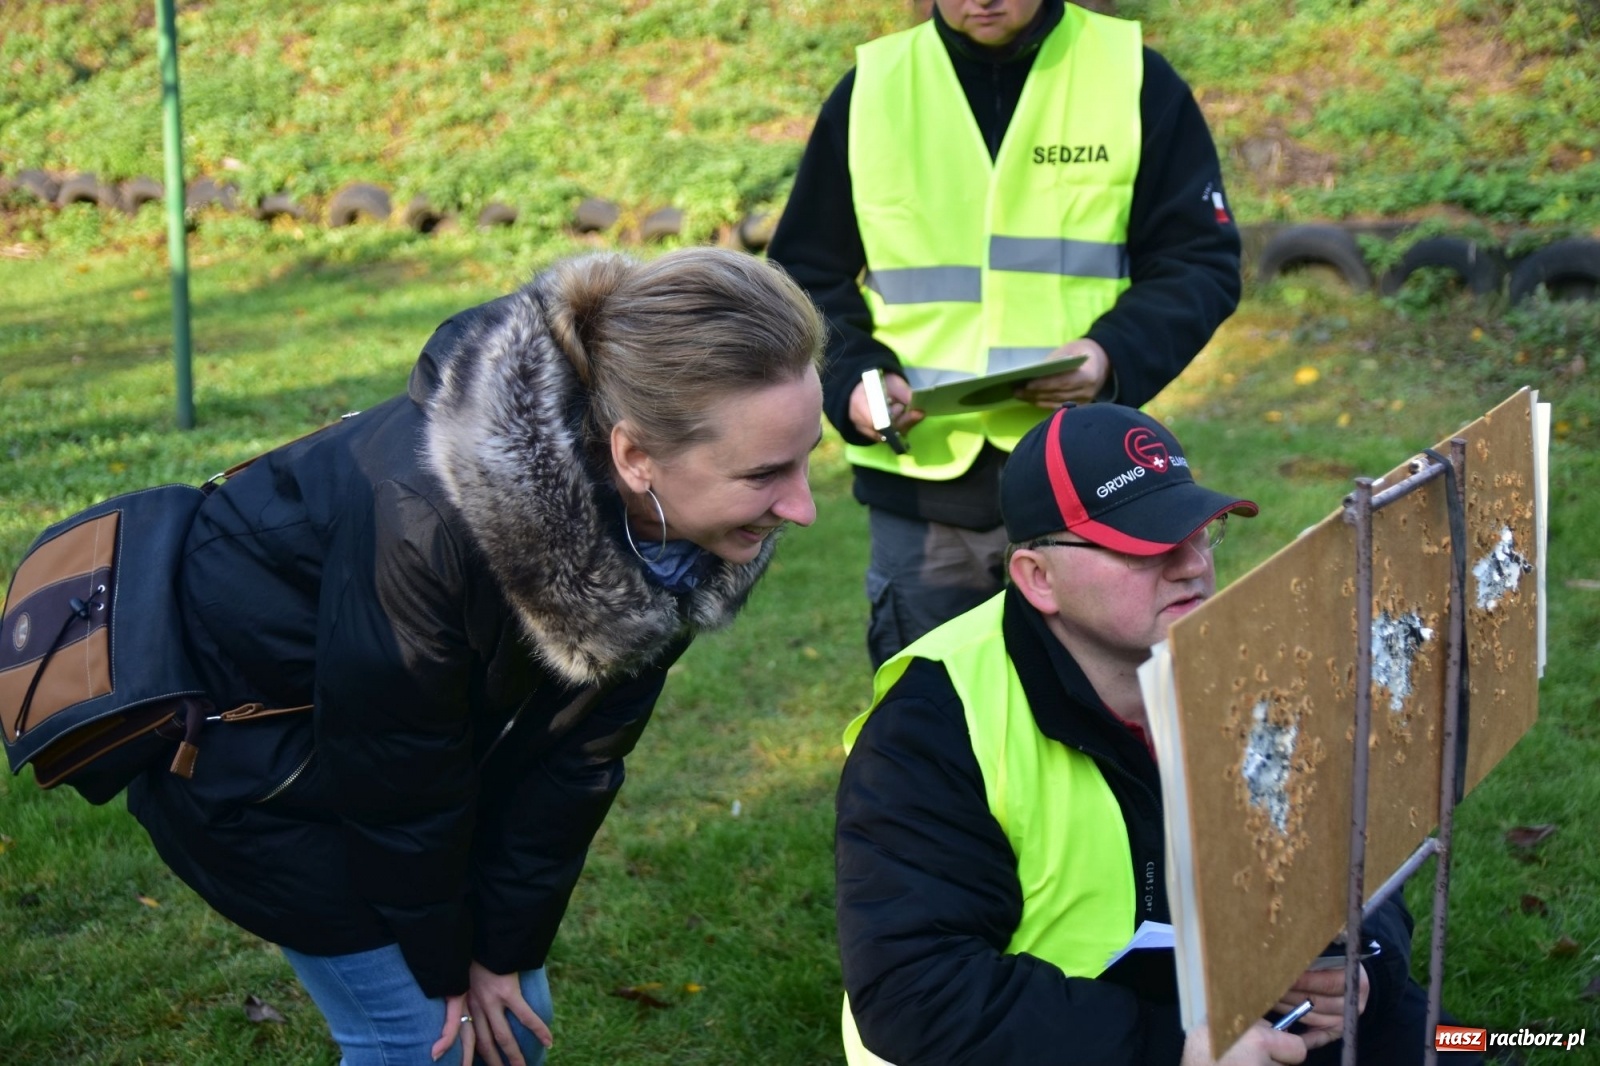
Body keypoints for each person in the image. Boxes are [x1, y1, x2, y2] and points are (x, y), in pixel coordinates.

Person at [126, 247, 826, 1066]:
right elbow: (398, 768)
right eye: (767, 473)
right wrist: (442, 961)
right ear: (635, 456)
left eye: (808, 456)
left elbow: (577, 758)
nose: (805, 507)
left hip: (385, 760)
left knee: (512, 1022)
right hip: (248, 760)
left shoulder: (682, 527)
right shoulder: (423, 520)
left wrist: (501, 950)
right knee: (427, 1042)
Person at [834, 403, 1452, 1066]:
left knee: (1448, 1043)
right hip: (1046, 1041)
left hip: (1215, 1003)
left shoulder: (1239, 648)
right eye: (1145, 545)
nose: (1192, 565)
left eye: (1198, 531)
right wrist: (1172, 1052)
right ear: (1037, 579)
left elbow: (1354, 845)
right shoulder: (932, 723)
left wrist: (1363, 966)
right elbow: (916, 992)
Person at [766, 0, 1242, 668]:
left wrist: (1110, 354)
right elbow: (805, 273)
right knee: (932, 722)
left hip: (1088, 481)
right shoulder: (873, 88)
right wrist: (854, 380)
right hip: (925, 485)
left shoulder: (1132, 75)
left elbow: (1199, 263)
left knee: (1100, 715)